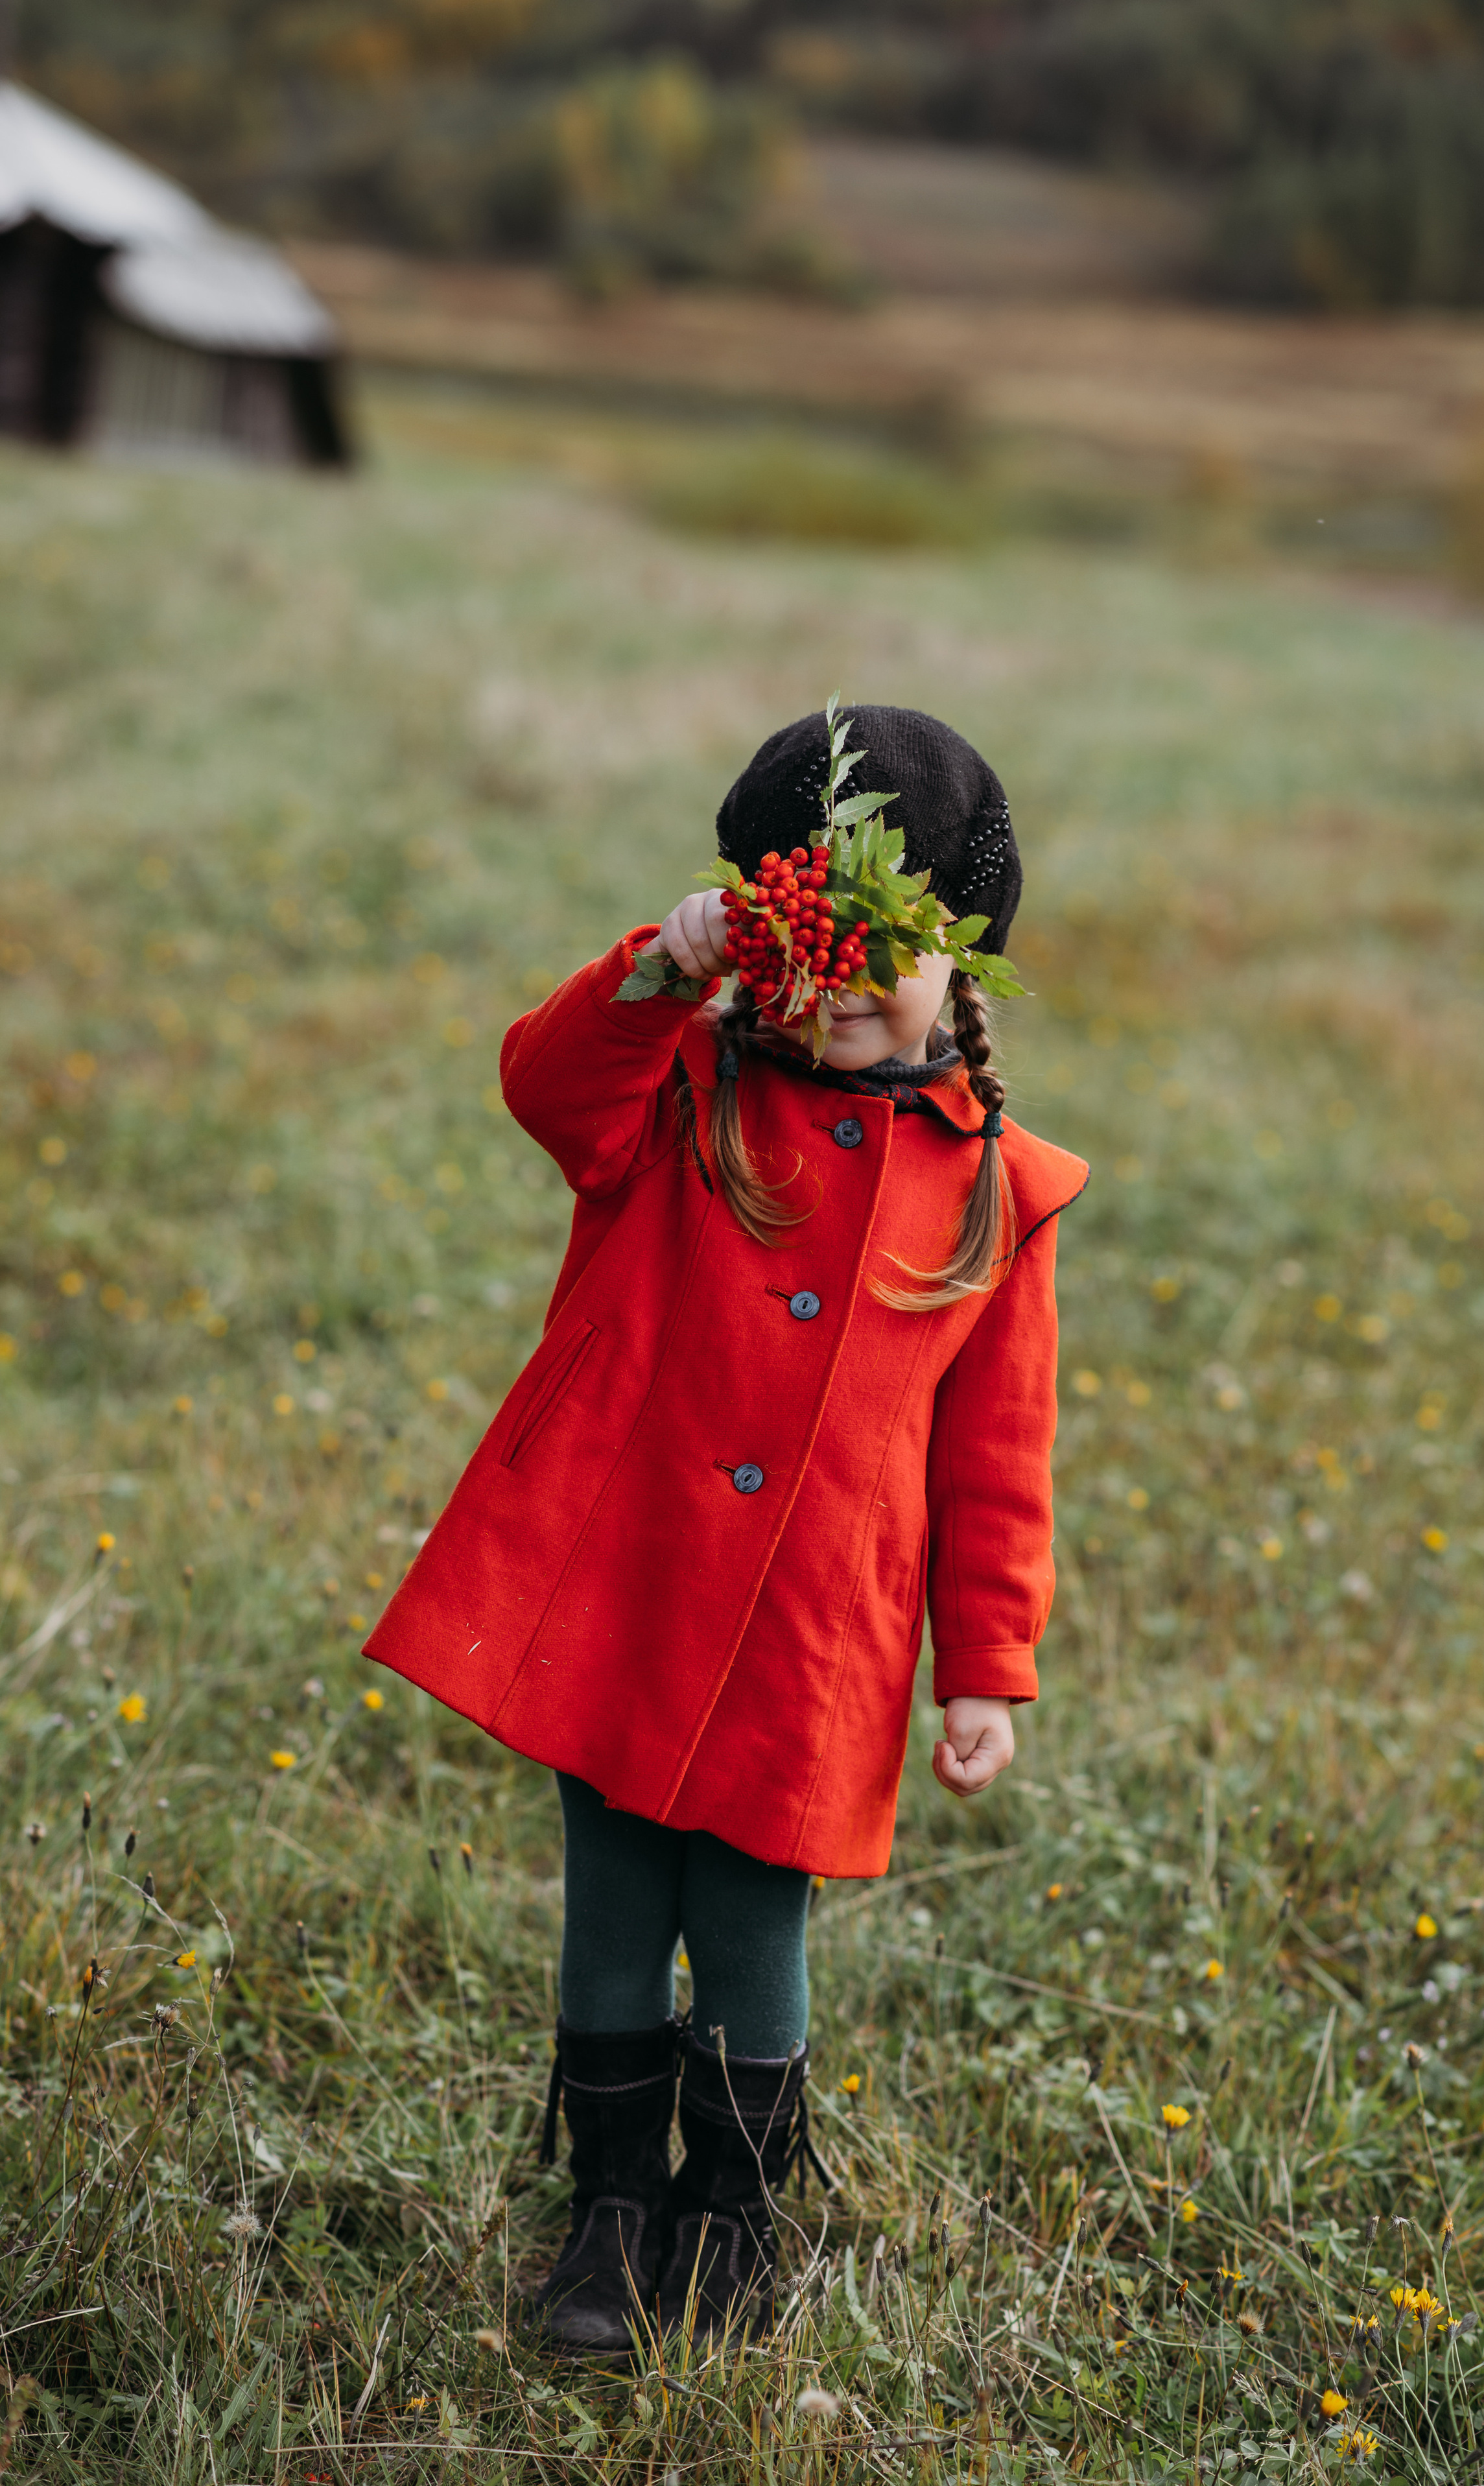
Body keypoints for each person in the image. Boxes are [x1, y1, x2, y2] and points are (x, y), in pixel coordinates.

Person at [365, 705, 1088, 2356]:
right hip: (624, 1589)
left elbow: (998, 1456)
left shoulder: (997, 1188)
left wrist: (985, 1666)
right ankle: (611, 2204)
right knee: (612, 1900)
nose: (838, 996)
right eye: (801, 956)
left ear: (957, 952)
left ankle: (735, 2215)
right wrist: (660, 969)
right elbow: (544, 1086)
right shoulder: (678, 1090)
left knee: (755, 1927)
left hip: (812, 1636)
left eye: (879, 961)